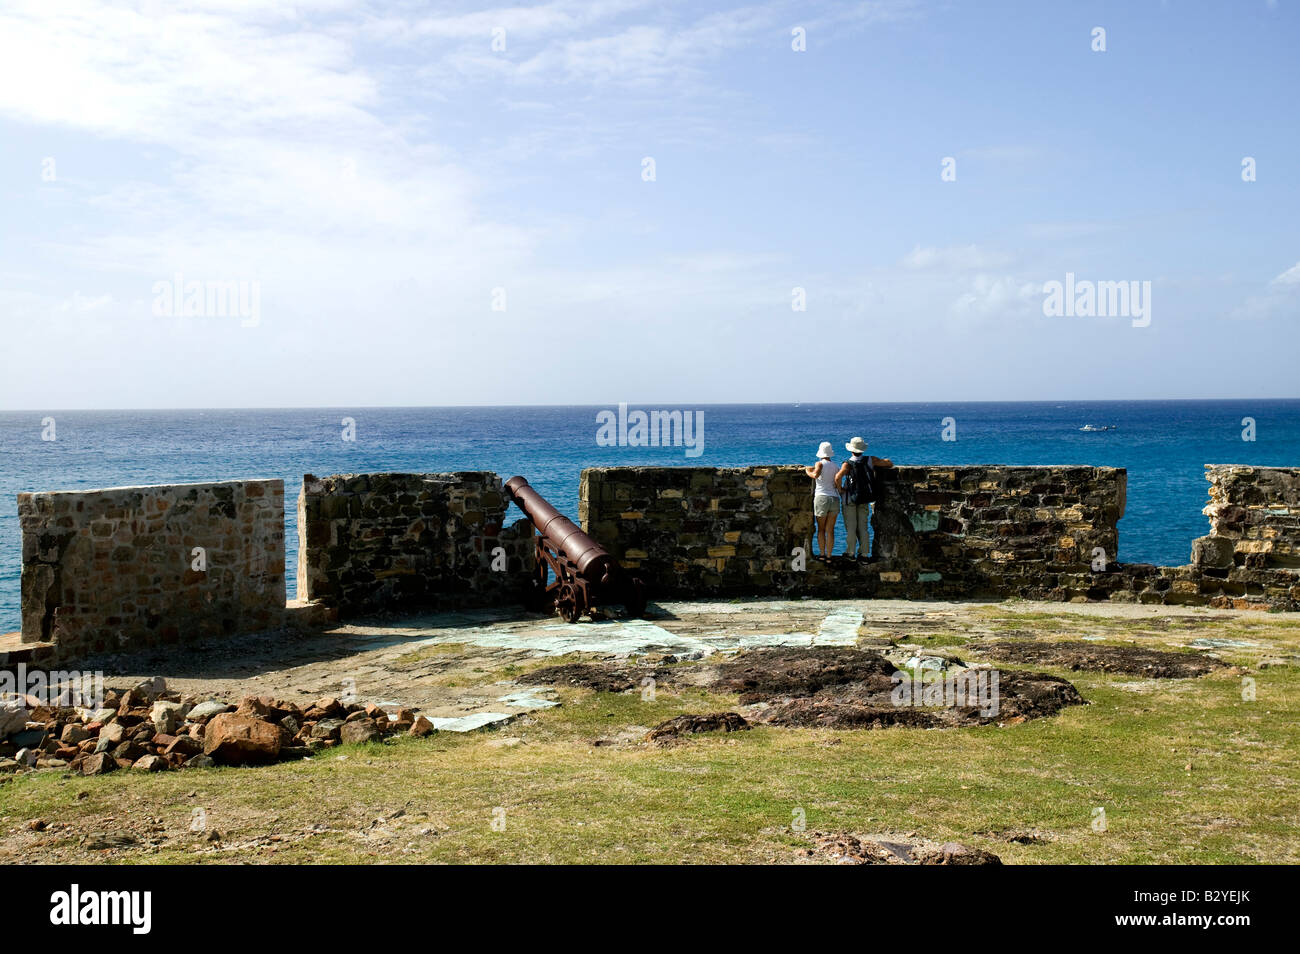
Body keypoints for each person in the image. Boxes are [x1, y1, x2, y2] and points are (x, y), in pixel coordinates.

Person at [835, 436, 893, 563]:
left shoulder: (847, 464)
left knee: (851, 527)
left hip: (849, 498)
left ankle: (850, 553)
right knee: (863, 527)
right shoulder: (870, 460)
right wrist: (887, 460)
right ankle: (864, 554)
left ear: (851, 450)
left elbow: (838, 477)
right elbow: (888, 463)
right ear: (862, 450)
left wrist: (840, 490)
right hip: (864, 497)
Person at [804, 441, 840, 562]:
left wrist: (807, 471)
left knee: (821, 529)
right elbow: (836, 483)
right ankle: (829, 556)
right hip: (834, 499)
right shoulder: (835, 466)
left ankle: (822, 554)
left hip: (822, 498)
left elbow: (815, 475)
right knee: (830, 530)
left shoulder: (819, 463)